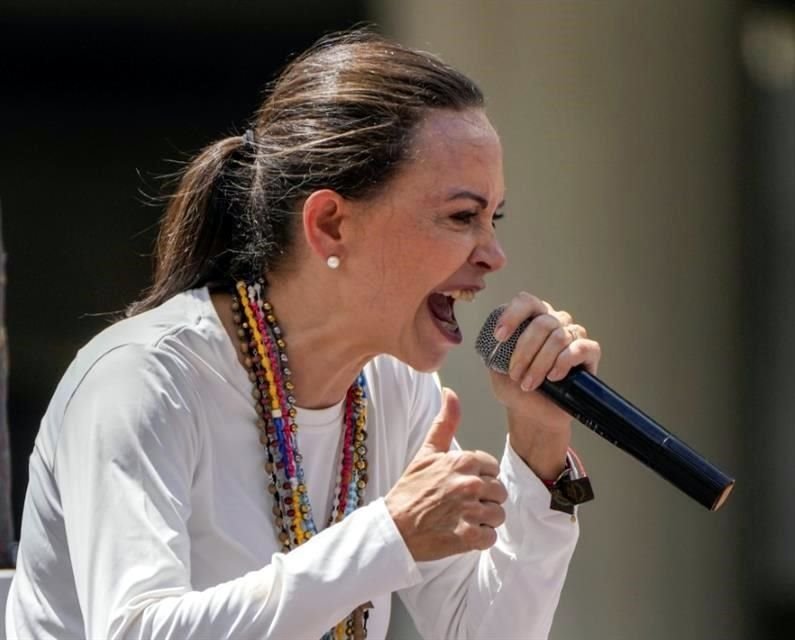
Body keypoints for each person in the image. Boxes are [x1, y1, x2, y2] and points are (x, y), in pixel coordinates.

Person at [6, 29, 601, 640]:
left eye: (492, 218)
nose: (493, 255)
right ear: (330, 224)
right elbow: (136, 630)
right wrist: (386, 535)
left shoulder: (395, 388)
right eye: (461, 217)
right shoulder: (144, 379)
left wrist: (538, 444)